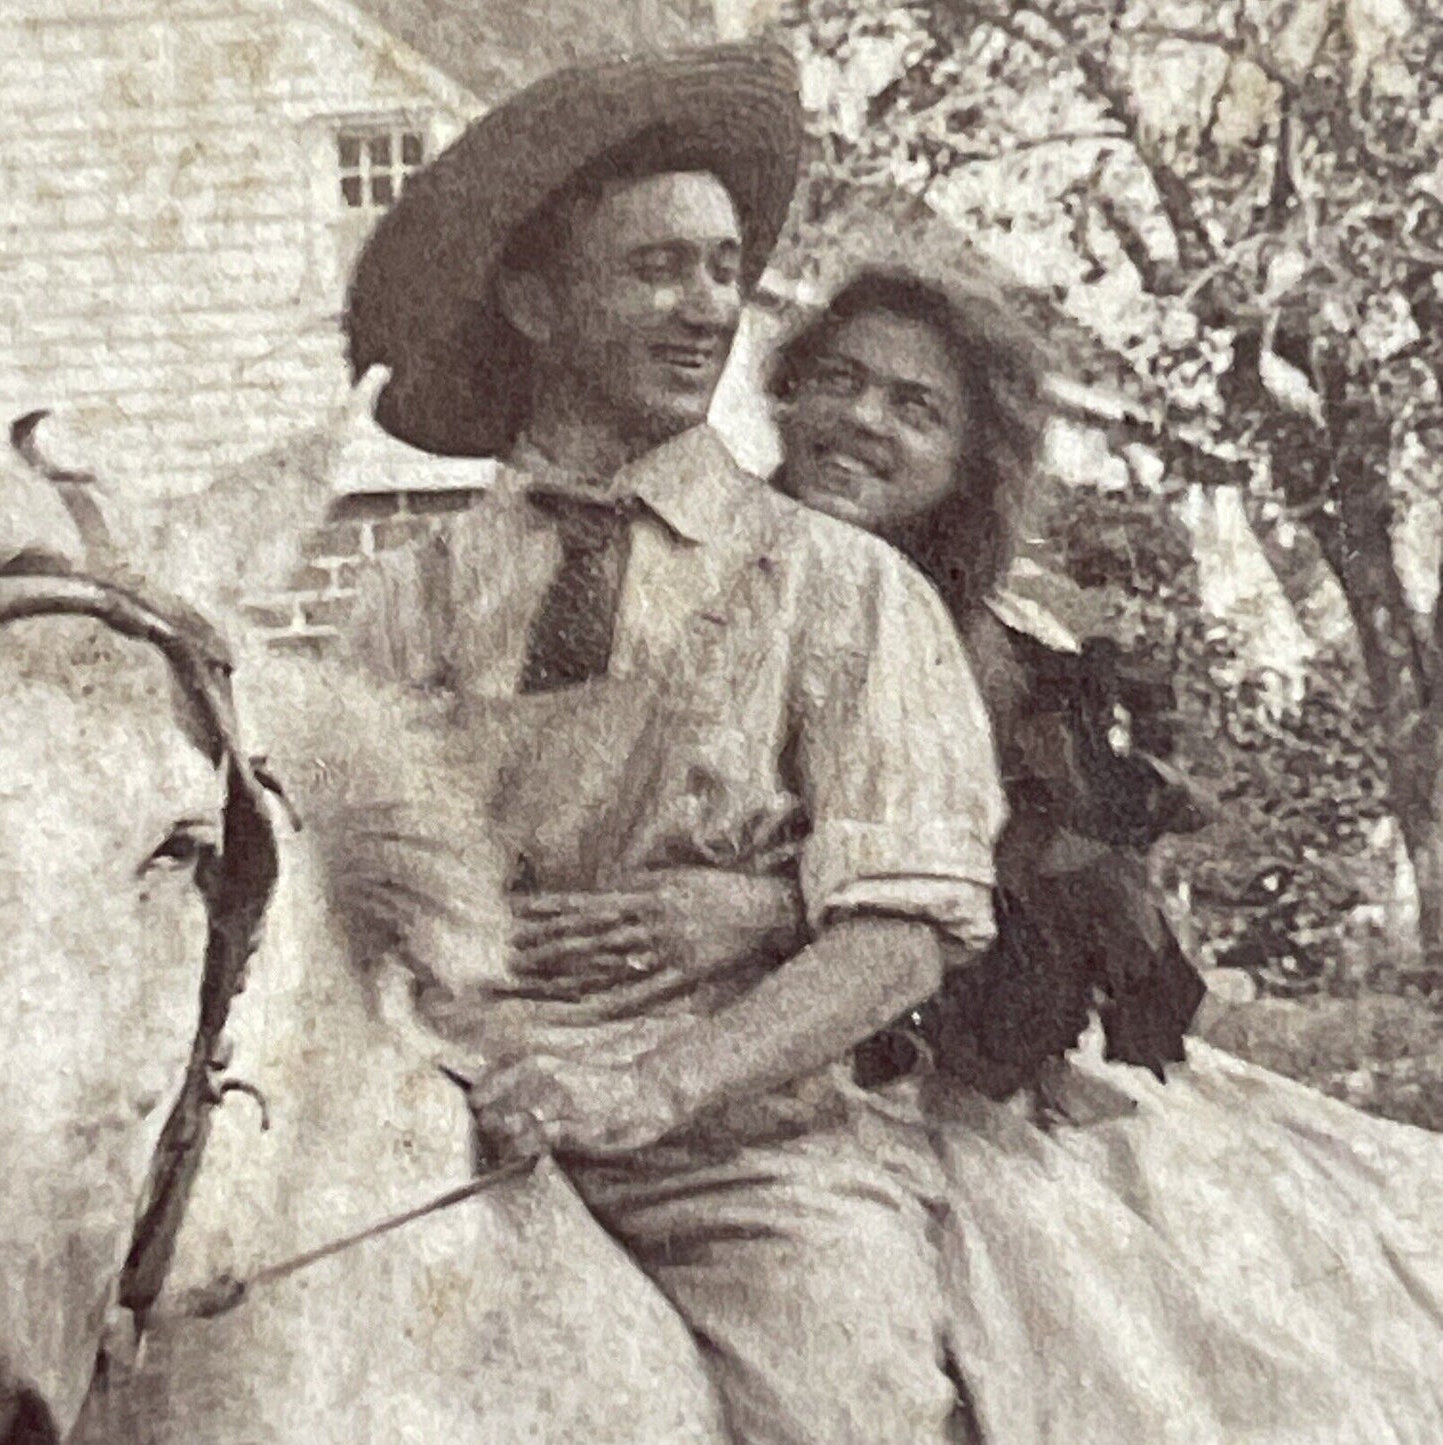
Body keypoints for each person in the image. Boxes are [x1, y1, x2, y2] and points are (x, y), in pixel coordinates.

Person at [522, 265, 1443, 1441]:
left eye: (915, 409)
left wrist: (770, 912)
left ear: (968, 458)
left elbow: (1055, 940)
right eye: (840, 383)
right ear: (786, 397)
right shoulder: (682, 576)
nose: (863, 420)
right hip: (638, 1035)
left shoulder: (1005, 652)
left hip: (928, 1075)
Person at [335, 43, 1006, 1445]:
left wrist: (652, 1085)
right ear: (533, 300)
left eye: (722, 269)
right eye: (657, 269)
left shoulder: (839, 587)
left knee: (851, 1405)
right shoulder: (413, 597)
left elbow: (906, 929)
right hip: (437, 1127)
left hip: (738, 1163)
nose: (708, 307)